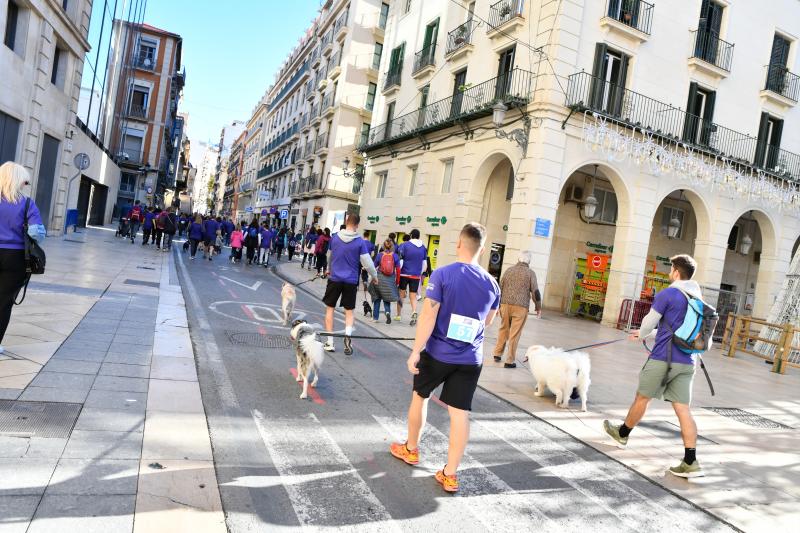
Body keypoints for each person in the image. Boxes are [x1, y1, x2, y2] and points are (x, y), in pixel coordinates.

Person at [390, 222, 499, 493]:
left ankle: (411, 449)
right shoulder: (493, 284)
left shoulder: (442, 274)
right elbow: (488, 322)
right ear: (482, 249)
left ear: (459, 243)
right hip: (470, 358)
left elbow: (429, 315)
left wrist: (416, 350)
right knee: (460, 413)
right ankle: (450, 474)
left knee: (420, 396)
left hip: (438, 353)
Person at [603, 254, 706, 478]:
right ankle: (691, 461)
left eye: (671, 269)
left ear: (677, 272)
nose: (669, 273)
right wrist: (647, 335)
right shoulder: (696, 298)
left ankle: (622, 434)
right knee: (683, 410)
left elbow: (649, 321)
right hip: (688, 361)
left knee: (643, 397)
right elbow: (679, 329)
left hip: (663, 359)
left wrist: (642, 333)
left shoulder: (668, 293)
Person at [0, 162, 46, 355]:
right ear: (18, 181)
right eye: (25, 181)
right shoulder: (27, 204)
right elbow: (37, 234)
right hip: (15, 258)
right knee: (3, 303)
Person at [321, 213, 378, 355]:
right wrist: (374, 276)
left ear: (346, 221)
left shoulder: (334, 238)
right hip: (351, 281)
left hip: (334, 279)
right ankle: (347, 337)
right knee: (349, 312)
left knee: (330, 309)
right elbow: (368, 263)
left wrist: (328, 269)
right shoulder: (360, 242)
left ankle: (330, 342)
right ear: (357, 225)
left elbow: (329, 255)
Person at [491, 250, 542, 368]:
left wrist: (497, 305)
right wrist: (538, 307)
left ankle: (497, 354)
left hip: (505, 305)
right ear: (529, 260)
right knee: (515, 334)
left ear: (518, 259)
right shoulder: (530, 273)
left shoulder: (509, 270)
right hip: (521, 307)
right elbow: (536, 292)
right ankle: (509, 361)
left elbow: (499, 288)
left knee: (503, 329)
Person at [396, 229, 428, 326]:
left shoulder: (404, 245)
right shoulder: (423, 248)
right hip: (416, 275)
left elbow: (400, 262)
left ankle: (398, 315)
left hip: (404, 274)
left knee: (401, 294)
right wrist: (419, 272)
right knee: (413, 296)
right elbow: (425, 264)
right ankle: (414, 311)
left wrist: (397, 272)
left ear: (411, 235)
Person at [370, 239, 400, 324]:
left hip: (379, 278)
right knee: (387, 298)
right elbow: (398, 270)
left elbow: (373, 266)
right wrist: (397, 282)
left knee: (377, 298)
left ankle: (375, 317)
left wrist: (372, 277)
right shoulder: (395, 256)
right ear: (392, 246)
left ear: (383, 246)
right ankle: (387, 312)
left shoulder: (380, 255)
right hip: (390, 280)